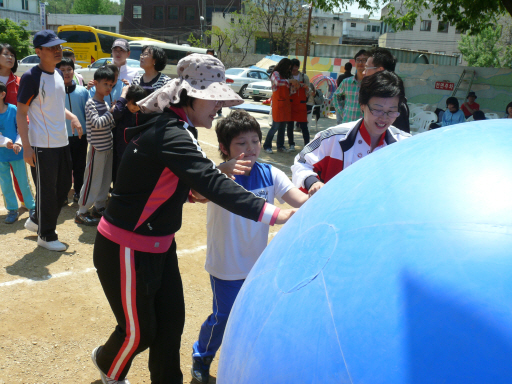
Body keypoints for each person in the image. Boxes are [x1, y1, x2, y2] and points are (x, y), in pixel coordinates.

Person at [90, 53, 296, 384]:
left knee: (171, 325)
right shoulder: (171, 132)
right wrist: (277, 214)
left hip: (159, 245)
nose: (219, 107)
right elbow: (211, 185)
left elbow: (176, 183)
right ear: (191, 96)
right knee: (138, 332)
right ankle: (107, 366)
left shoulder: (181, 129)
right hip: (125, 248)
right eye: (214, 99)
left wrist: (208, 177)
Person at [191, 110, 309, 384]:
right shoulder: (216, 176)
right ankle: (202, 356)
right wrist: (219, 171)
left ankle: (246, 362)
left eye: (255, 141)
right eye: (241, 143)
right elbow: (197, 193)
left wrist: (318, 193)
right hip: (226, 266)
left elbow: (298, 200)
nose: (251, 148)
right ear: (224, 147)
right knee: (223, 317)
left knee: (255, 316)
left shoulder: (270, 173)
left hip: (259, 266)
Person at [292, 70, 410, 196]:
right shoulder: (333, 138)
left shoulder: (405, 145)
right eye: (377, 110)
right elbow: (301, 162)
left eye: (392, 111)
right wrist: (313, 183)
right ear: (362, 105)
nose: (384, 117)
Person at [17, 30, 83, 252]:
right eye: (52, 47)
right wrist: (26, 147)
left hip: (61, 141)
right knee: (47, 191)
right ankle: (46, 235)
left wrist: (71, 116)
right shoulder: (31, 78)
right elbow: (21, 113)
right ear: (38, 52)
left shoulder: (56, 74)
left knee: (64, 188)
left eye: (58, 46)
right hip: (42, 145)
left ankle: (36, 220)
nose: (58, 50)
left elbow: (54, 105)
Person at [75, 67, 116, 226]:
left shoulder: (105, 103)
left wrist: (111, 114)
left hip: (107, 147)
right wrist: (110, 113)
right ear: (95, 83)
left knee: (105, 180)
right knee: (92, 180)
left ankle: (99, 207)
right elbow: (98, 124)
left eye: (111, 85)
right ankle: (81, 212)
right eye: (105, 84)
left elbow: (110, 125)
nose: (108, 88)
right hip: (97, 149)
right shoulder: (91, 103)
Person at [0, 81, 35, 224]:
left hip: (17, 154)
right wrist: (5, 142)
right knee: (5, 183)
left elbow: (22, 129)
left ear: (2, 94)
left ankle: (32, 207)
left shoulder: (13, 109)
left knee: (23, 181)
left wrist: (18, 143)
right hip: (1, 156)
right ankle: (12, 210)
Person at [56, 57, 89, 204]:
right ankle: (63, 195)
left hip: (81, 136)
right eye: (62, 70)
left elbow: (88, 114)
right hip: (61, 137)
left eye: (69, 69)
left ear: (73, 71)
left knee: (79, 166)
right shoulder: (55, 92)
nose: (66, 73)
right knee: (64, 168)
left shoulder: (83, 92)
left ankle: (78, 192)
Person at [0, 43, 27, 210]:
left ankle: (26, 202)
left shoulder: (19, 82)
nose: (10, 57)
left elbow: (26, 109)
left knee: (19, 172)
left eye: (12, 55)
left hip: (16, 133)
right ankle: (10, 207)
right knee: (3, 176)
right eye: (6, 54)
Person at [363, 47, 410, 133]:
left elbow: (401, 139)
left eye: (367, 68)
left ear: (380, 70)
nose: (363, 73)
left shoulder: (399, 103)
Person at [111, 84, 147, 185]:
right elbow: (116, 112)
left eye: (138, 105)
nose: (135, 107)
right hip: (120, 150)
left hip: (136, 153)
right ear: (127, 100)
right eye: (132, 104)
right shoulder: (123, 111)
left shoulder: (143, 114)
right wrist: (123, 94)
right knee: (118, 174)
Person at [263, 58, 299, 153]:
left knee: (283, 127)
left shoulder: (286, 76)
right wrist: (290, 81)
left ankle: (280, 146)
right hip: (278, 104)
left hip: (286, 104)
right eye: (288, 67)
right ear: (283, 66)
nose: (289, 69)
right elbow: (278, 82)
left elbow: (290, 92)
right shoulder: (275, 74)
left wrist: (294, 87)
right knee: (275, 126)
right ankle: (267, 145)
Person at [332, 49, 368, 124]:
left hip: (364, 127)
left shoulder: (371, 84)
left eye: (364, 60)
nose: (360, 63)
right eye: (358, 60)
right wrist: (342, 113)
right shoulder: (347, 82)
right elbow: (335, 96)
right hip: (347, 124)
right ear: (355, 63)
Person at [286, 58, 310, 151]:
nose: (294, 69)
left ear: (298, 67)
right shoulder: (287, 76)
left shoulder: (304, 77)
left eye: (295, 67)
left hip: (301, 104)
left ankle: (307, 145)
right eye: (292, 67)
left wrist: (306, 87)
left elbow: (309, 90)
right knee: (290, 125)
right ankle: (291, 144)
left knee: (304, 126)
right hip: (291, 104)